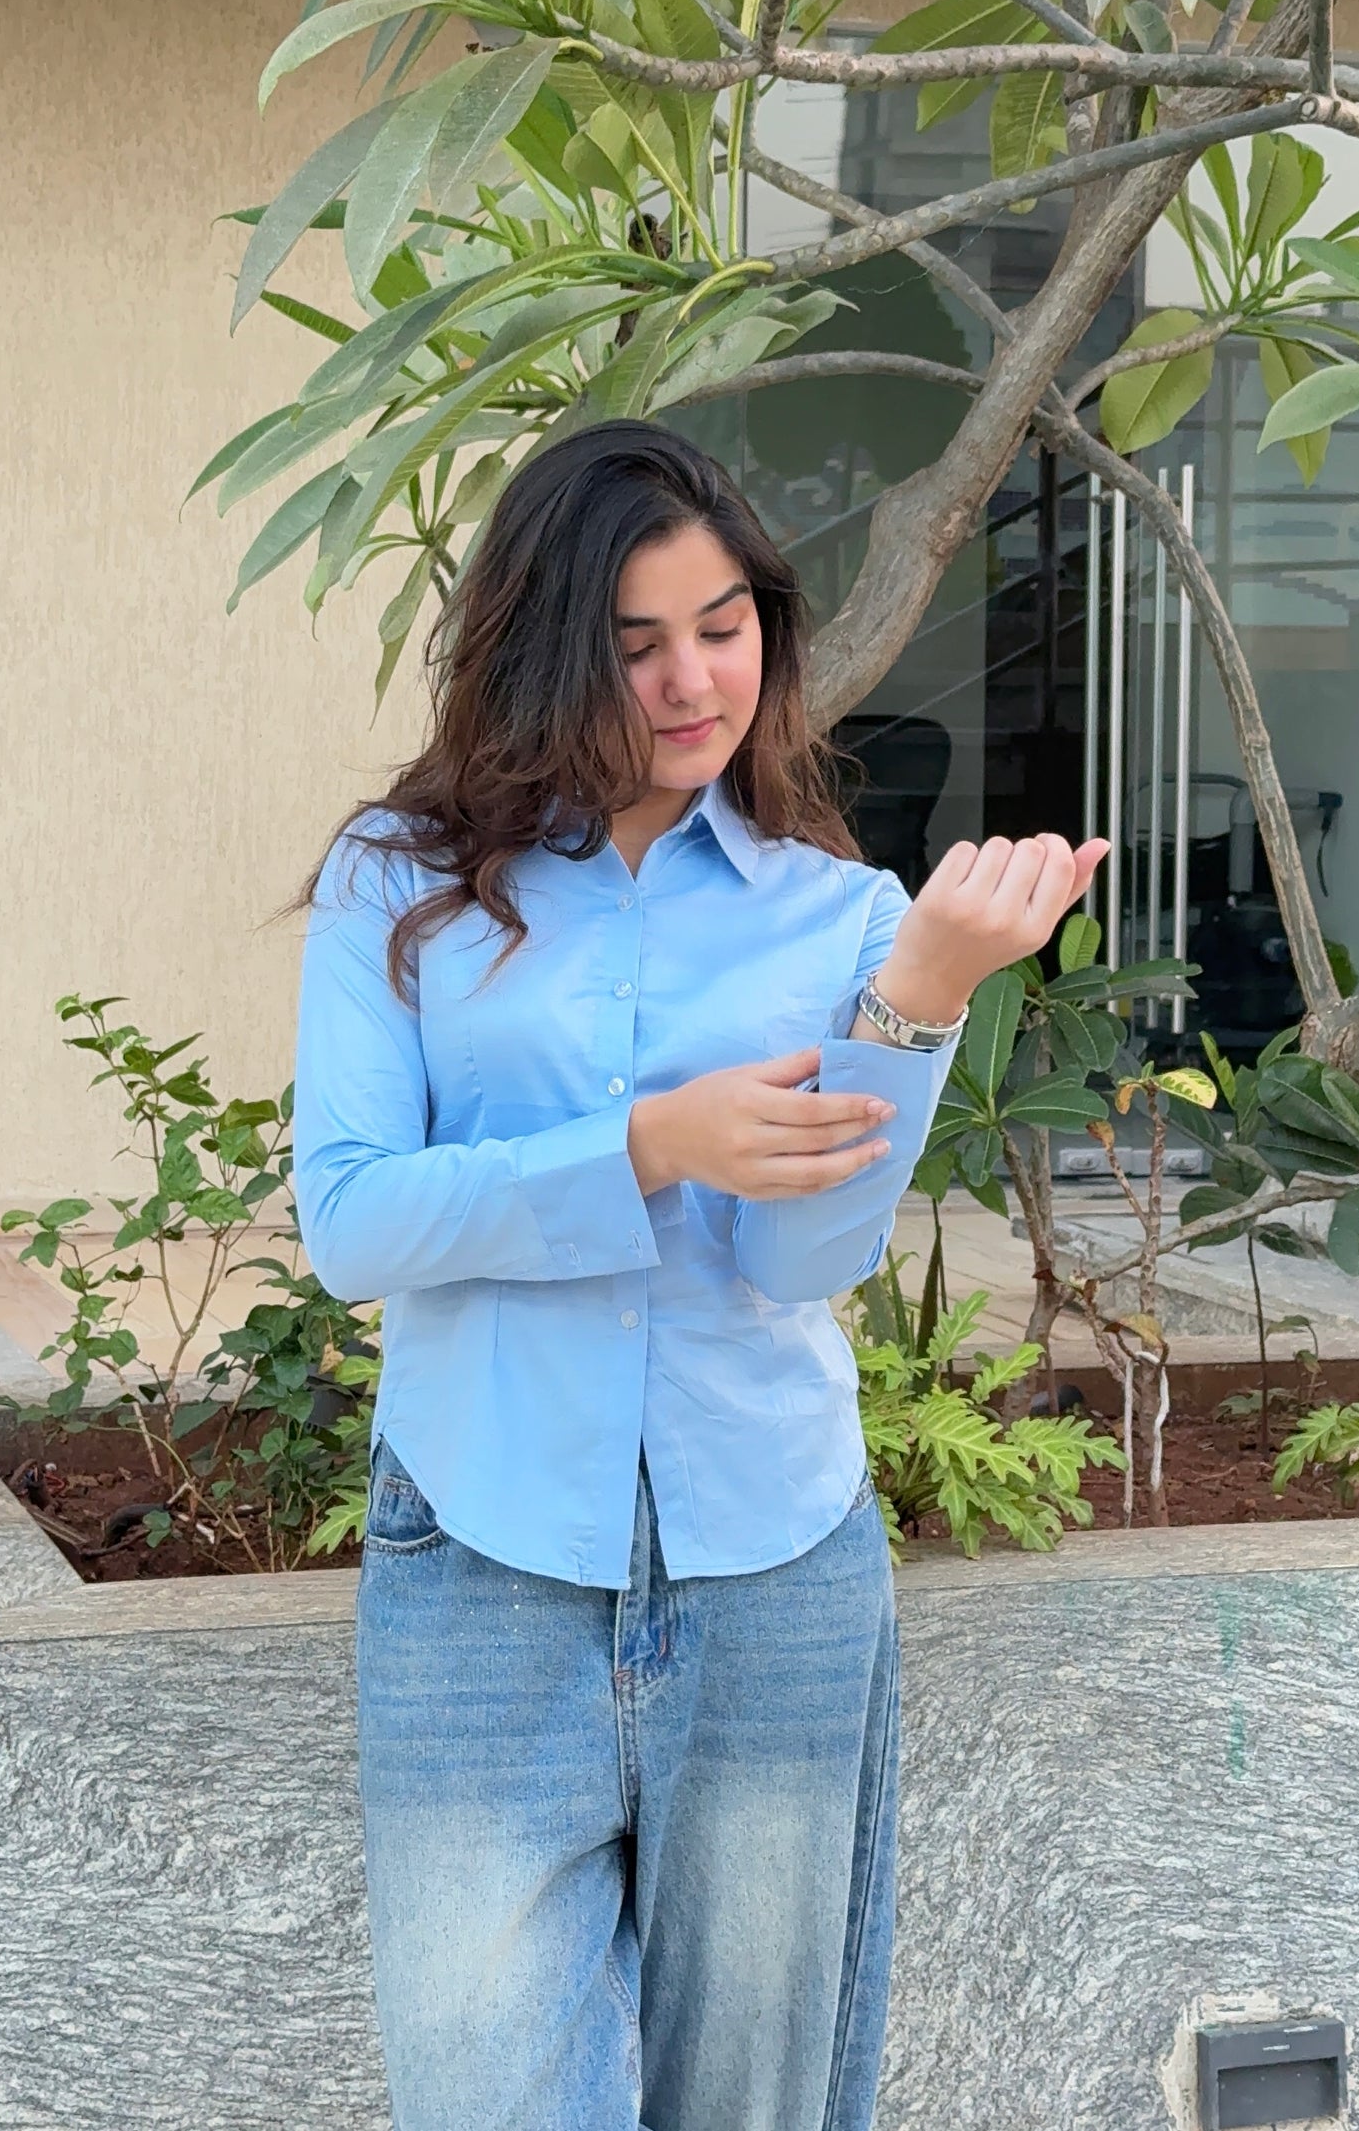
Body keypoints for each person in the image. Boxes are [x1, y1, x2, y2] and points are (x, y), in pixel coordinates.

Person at [293, 420, 1106, 2131]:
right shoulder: (398, 880)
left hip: (771, 1559)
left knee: (757, 2101)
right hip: (482, 1557)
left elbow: (807, 1253)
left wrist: (922, 993)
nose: (690, 682)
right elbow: (353, 1220)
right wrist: (650, 1144)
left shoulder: (840, 915)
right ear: (540, 647)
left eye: (721, 627)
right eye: (634, 641)